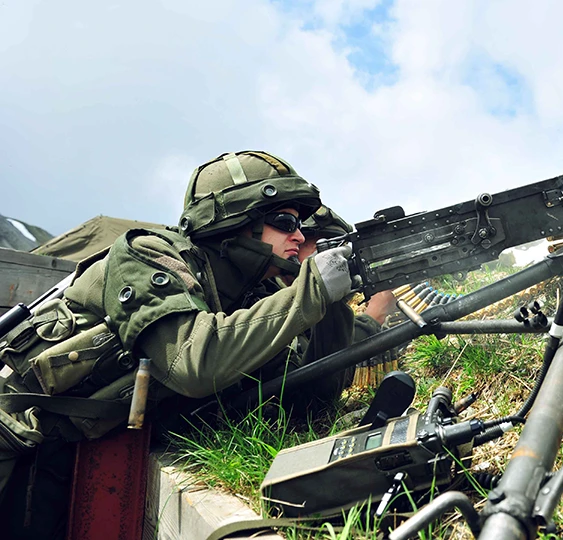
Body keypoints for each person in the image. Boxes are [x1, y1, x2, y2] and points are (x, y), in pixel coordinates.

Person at [0, 150, 353, 539]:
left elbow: (308, 401)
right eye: (284, 221)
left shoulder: (254, 296)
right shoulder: (149, 254)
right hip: (18, 436)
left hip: (78, 447)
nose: (300, 236)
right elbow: (191, 362)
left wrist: (333, 306)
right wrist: (310, 292)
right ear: (234, 219)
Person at [252, 205, 397, 413]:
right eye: (324, 249)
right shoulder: (263, 298)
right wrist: (373, 317)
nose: (334, 260)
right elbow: (310, 396)